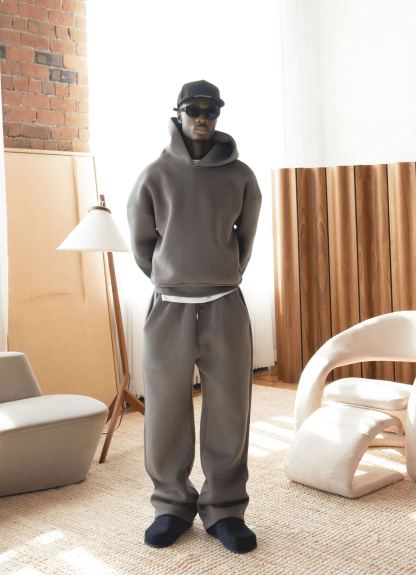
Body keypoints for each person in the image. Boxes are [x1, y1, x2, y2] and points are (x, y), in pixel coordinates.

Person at [126, 80, 262, 554]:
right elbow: (142, 243)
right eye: (193, 109)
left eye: (211, 110)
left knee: (230, 409)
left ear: (219, 114)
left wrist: (223, 273)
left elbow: (245, 238)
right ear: (178, 112)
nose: (202, 117)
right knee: (165, 409)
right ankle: (171, 506)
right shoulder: (153, 175)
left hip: (225, 304)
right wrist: (170, 276)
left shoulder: (241, 176)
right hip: (169, 308)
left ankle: (225, 509)